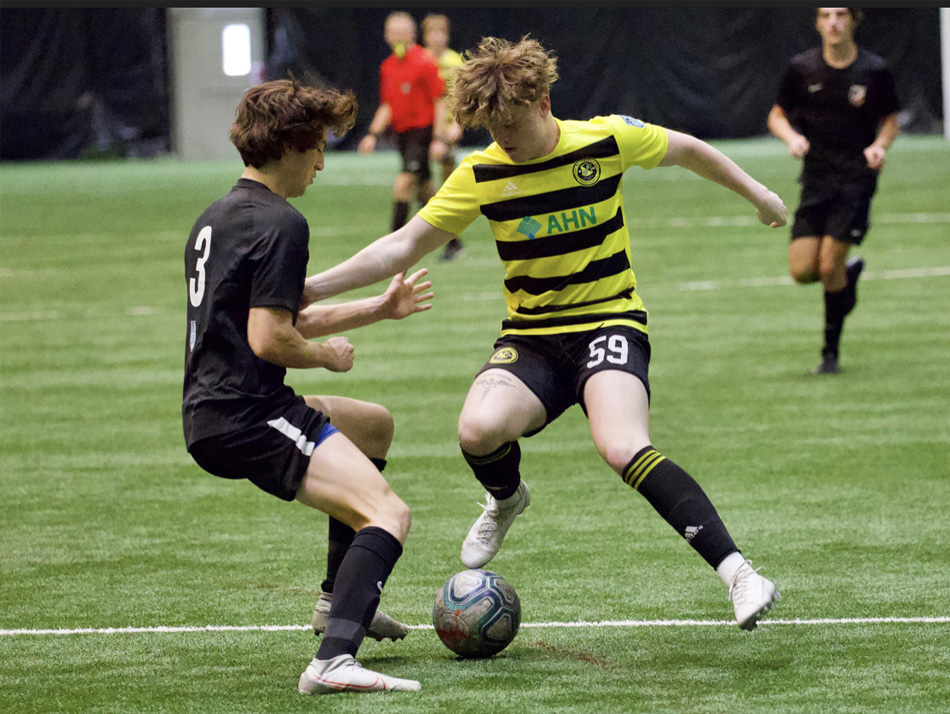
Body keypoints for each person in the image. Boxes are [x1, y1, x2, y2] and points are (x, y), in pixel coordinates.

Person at [303, 37, 787, 630]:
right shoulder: (481, 173)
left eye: (511, 124)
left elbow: (686, 149)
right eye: (491, 127)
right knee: (476, 430)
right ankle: (507, 498)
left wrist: (759, 194)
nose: (502, 138)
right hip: (532, 336)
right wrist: (312, 288)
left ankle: (739, 573)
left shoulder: (605, 139)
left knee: (620, 445)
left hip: (609, 321)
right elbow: (401, 244)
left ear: (544, 103)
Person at [182, 79, 434, 694]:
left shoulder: (217, 216)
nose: (321, 161)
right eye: (318, 146)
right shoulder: (282, 223)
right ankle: (333, 661)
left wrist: (380, 308)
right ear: (291, 145)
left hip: (215, 405)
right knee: (388, 513)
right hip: (247, 415)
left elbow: (271, 318)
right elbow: (273, 340)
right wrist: (326, 358)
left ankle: (337, 600)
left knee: (372, 423)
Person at [768, 7, 900, 375]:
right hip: (815, 180)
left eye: (841, 14)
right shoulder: (801, 69)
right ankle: (849, 277)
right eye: (826, 15)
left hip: (856, 179)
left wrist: (880, 146)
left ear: (854, 20)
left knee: (828, 266)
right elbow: (776, 115)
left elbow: (890, 121)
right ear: (816, 22)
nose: (833, 22)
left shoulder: (874, 71)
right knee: (802, 270)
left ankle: (830, 355)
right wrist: (792, 137)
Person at [358, 11, 447, 234]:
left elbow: (440, 101)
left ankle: (392, 241)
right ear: (386, 37)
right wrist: (372, 134)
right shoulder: (388, 67)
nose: (398, 37)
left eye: (402, 32)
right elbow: (387, 105)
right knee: (425, 189)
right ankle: (451, 240)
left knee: (403, 185)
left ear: (412, 34)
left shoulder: (425, 62)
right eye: (393, 33)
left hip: (422, 132)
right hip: (403, 136)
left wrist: (438, 138)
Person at [422, 13, 465, 262]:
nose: (437, 37)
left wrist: (457, 124)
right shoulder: (421, 59)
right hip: (423, 129)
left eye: (441, 33)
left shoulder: (454, 61)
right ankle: (447, 238)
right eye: (432, 33)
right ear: (425, 36)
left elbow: (460, 97)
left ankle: (452, 240)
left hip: (446, 129)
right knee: (424, 184)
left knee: (447, 185)